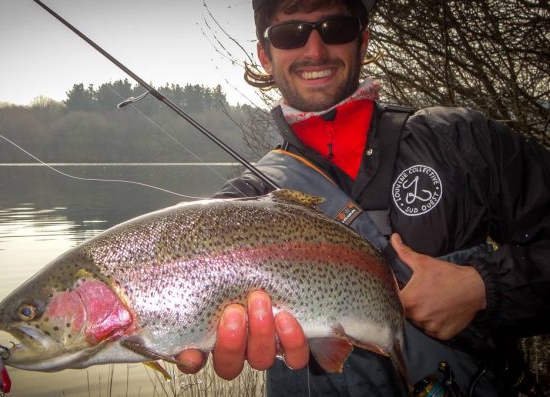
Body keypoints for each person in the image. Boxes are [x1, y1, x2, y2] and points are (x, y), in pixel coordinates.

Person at [176, 0, 550, 395]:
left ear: (363, 41)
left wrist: (483, 286)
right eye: (291, 34)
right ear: (265, 56)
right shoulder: (243, 203)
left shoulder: (461, 140)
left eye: (335, 28)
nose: (315, 51)